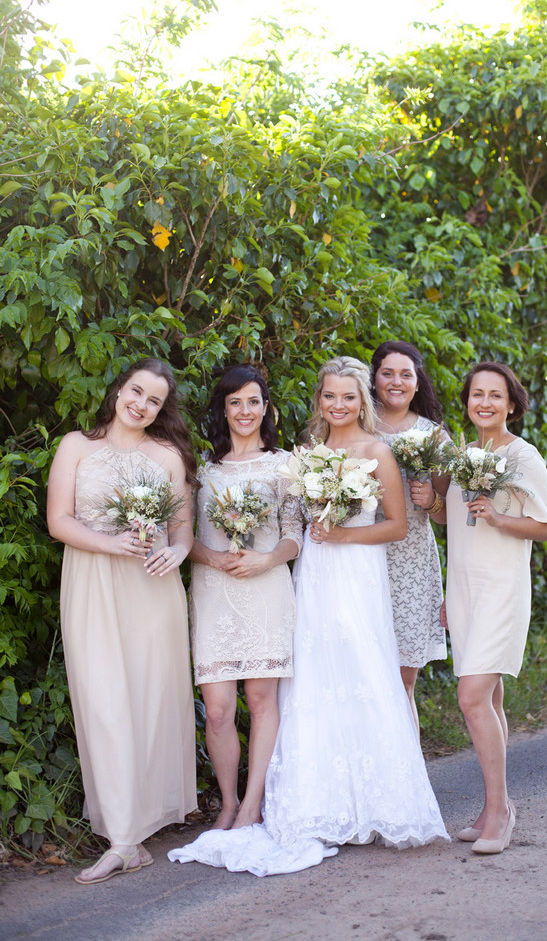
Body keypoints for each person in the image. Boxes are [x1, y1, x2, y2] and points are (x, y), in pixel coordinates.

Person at [169, 356, 449, 876]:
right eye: (329, 396)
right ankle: (319, 804)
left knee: (364, 669)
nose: (338, 405)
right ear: (318, 400)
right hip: (315, 575)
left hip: (357, 573)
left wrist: (342, 534)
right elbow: (292, 518)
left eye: (348, 396)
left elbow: (394, 526)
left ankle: (378, 804)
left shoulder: (377, 451)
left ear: (361, 399)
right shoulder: (305, 455)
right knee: (314, 677)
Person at [46, 358, 198, 884]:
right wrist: (111, 543)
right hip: (92, 582)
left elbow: (183, 526)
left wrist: (178, 553)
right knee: (103, 700)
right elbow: (58, 520)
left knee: (149, 700)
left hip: (151, 587)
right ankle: (123, 837)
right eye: (136, 391)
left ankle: (132, 836)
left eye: (154, 400)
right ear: (119, 389)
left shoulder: (167, 455)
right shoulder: (76, 446)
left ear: (161, 409)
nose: (141, 404)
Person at [438, 362, 547, 855]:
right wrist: (431, 502)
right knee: (492, 700)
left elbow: (544, 527)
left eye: (495, 395)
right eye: (476, 394)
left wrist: (502, 517)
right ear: (467, 401)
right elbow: (458, 526)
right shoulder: (466, 454)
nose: (484, 402)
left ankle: (501, 812)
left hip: (502, 589)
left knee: (471, 698)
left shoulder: (523, 456)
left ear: (511, 403)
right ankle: (492, 808)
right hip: (465, 588)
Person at [189, 365, 303, 831]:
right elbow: (182, 538)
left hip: (266, 589)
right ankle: (229, 802)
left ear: (266, 407)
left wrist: (267, 560)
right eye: (234, 402)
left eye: (253, 401)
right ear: (222, 408)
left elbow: (296, 536)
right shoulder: (201, 468)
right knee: (217, 709)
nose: (244, 411)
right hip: (214, 591)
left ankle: (254, 803)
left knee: (261, 700)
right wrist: (214, 560)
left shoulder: (285, 464)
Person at [371, 340, 449, 732]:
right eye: (388, 373)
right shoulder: (357, 424)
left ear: (418, 382)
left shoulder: (433, 437)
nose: (396, 382)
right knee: (365, 678)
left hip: (412, 563)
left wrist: (432, 499)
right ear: (375, 378)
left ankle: (408, 786)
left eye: (406, 374)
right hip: (362, 558)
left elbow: (449, 516)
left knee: (402, 680)